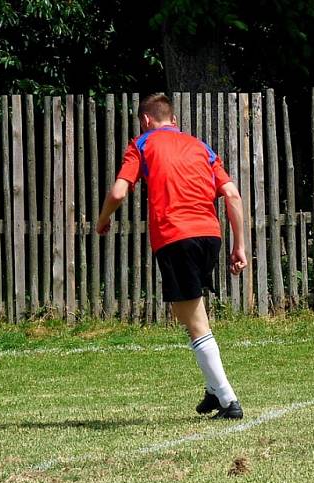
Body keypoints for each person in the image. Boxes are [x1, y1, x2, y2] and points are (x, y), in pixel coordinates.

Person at [96, 93, 247, 419]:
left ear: (146, 120)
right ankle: (211, 391)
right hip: (211, 235)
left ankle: (227, 400)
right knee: (190, 313)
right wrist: (240, 245)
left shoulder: (141, 143)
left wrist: (103, 219)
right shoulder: (200, 146)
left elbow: (119, 191)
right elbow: (232, 194)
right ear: (174, 120)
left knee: (193, 322)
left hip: (176, 236)